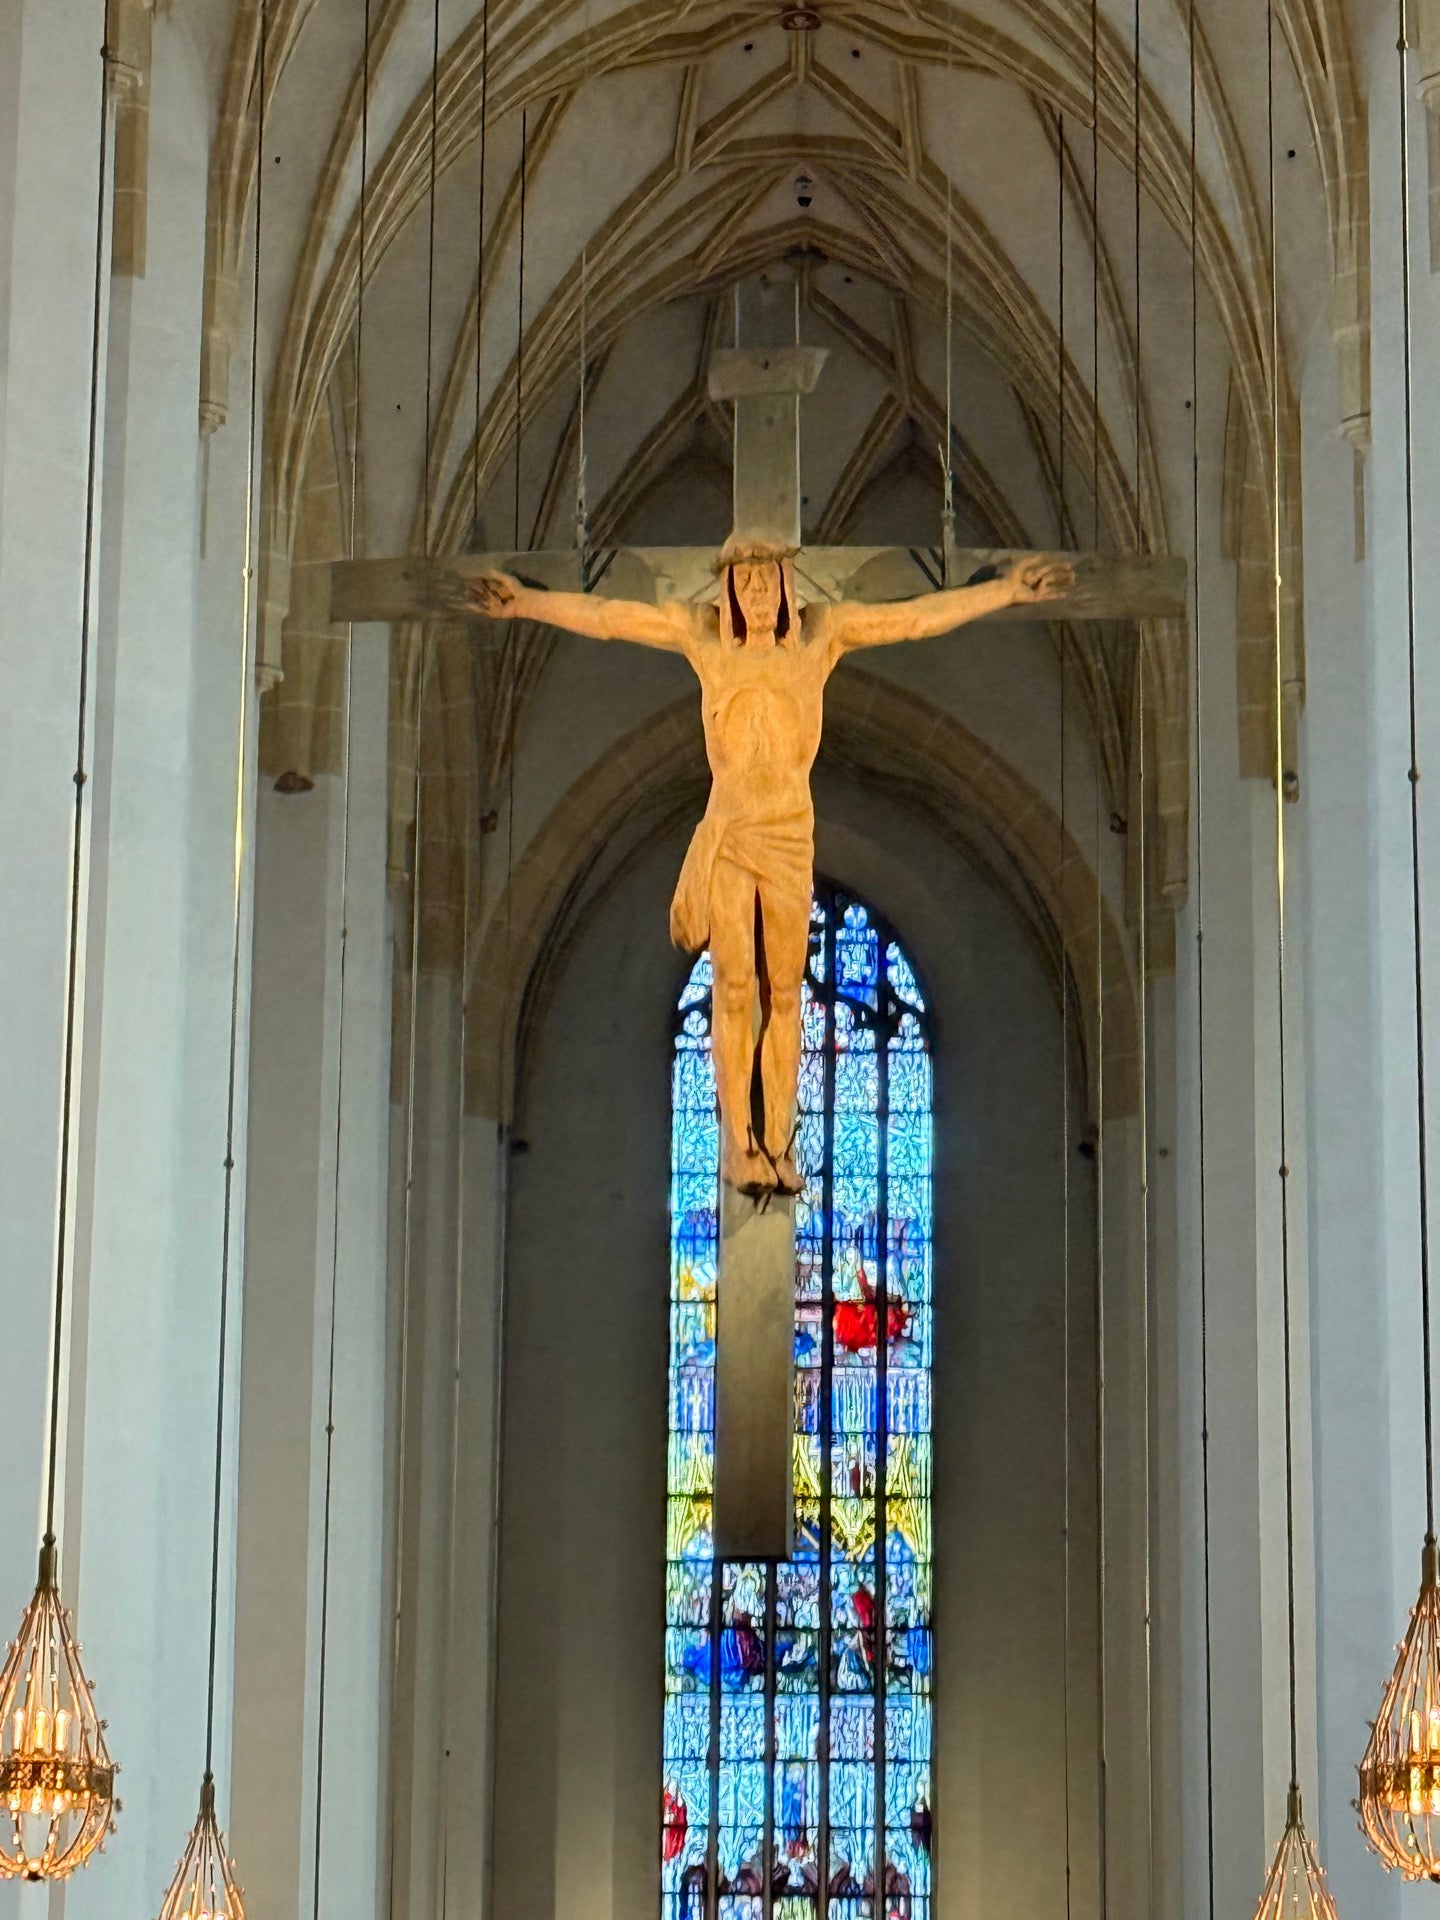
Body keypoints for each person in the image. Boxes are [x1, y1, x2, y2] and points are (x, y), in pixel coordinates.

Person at [470, 540, 1072, 1195]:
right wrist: (526, 603)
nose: (757, 595)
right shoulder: (705, 643)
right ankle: (737, 1145)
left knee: (785, 994)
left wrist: (1007, 592)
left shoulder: (823, 641)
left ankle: (779, 1144)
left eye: (767, 581)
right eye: (745, 583)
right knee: (732, 988)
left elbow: (918, 618)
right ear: (727, 591)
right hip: (730, 828)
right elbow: (612, 617)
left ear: (787, 585)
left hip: (789, 831)